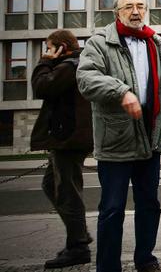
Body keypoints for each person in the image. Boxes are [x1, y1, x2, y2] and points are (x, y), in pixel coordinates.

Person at [77, 0, 161, 272]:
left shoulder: (157, 43)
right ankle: (108, 267)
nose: (135, 12)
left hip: (150, 138)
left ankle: (145, 258)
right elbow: (86, 78)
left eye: (140, 6)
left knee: (149, 205)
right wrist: (121, 91)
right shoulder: (99, 42)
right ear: (117, 11)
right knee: (112, 209)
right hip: (116, 141)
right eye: (128, 7)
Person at [30, 29, 93, 269]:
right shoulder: (72, 63)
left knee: (68, 191)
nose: (47, 53)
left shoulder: (69, 66)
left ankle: (78, 246)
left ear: (60, 47)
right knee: (51, 185)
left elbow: (41, 87)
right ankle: (79, 235)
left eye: (49, 48)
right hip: (67, 136)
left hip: (68, 138)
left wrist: (45, 62)